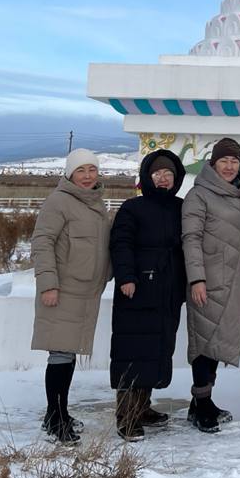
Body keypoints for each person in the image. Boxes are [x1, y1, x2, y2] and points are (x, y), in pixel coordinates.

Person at [30, 147, 112, 446]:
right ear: (69, 173)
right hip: (63, 290)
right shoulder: (59, 201)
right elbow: (42, 242)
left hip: (85, 292)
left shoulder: (96, 204)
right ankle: (55, 418)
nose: (88, 176)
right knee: (61, 354)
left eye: (92, 170)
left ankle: (59, 412)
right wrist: (48, 284)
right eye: (81, 170)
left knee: (68, 352)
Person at [108, 148, 187, 441]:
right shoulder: (132, 208)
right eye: (158, 174)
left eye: (168, 174)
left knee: (155, 349)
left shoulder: (180, 207)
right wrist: (126, 277)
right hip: (138, 289)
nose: (163, 179)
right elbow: (121, 243)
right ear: (147, 177)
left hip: (168, 290)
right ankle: (127, 417)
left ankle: (143, 407)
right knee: (134, 351)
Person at [181, 137, 240, 434]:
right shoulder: (199, 195)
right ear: (213, 164)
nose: (230, 166)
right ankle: (202, 403)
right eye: (224, 161)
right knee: (204, 343)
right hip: (207, 280)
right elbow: (191, 238)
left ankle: (201, 404)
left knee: (219, 342)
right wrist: (197, 278)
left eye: (234, 161)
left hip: (235, 282)